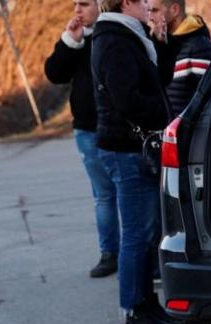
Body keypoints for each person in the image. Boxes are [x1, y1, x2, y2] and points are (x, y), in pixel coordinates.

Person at [92, 0, 179, 324]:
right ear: (126, 3)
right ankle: (133, 311)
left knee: (144, 234)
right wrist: (159, 116)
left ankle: (147, 304)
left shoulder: (130, 36)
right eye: (143, 1)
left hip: (130, 147)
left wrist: (161, 41)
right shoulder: (114, 39)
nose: (148, 7)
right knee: (136, 235)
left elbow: (160, 80)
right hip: (125, 149)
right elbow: (125, 98)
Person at [45, 0, 120, 278]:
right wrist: (69, 42)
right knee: (103, 195)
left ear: (100, 7)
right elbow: (54, 73)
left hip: (115, 128)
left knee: (127, 193)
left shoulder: (112, 35)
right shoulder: (78, 39)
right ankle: (110, 252)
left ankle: (139, 253)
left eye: (84, 4)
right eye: (75, 4)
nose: (77, 10)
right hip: (86, 130)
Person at [148, 0, 211, 116]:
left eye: (154, 10)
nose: (150, 17)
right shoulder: (156, 44)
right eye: (148, 10)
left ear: (174, 10)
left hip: (183, 132)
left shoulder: (199, 48)